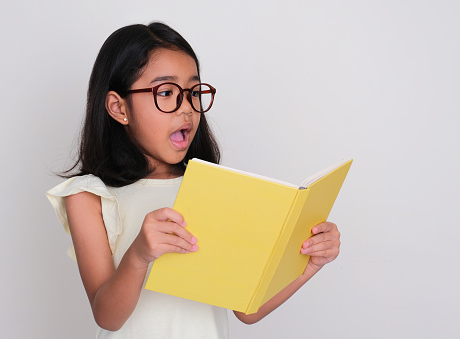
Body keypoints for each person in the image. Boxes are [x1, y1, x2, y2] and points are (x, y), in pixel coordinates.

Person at [47, 22, 341, 339]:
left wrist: (309, 264)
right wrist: (139, 255)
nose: (186, 108)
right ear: (119, 108)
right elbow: (107, 316)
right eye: (166, 93)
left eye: (193, 92)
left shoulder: (212, 187)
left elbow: (247, 309)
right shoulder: (89, 195)